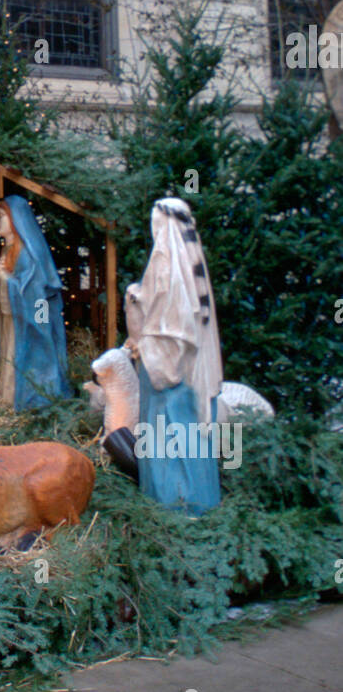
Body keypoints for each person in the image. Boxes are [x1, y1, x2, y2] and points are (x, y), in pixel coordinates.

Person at [132, 197, 222, 514]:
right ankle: (198, 499)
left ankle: (174, 506)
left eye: (156, 221)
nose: (154, 227)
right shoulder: (186, 266)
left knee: (169, 439)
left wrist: (135, 296)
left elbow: (169, 320)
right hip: (183, 371)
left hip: (167, 372)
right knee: (187, 434)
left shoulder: (165, 260)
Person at [0, 196, 72, 411]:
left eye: (1, 218)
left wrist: (6, 279)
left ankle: (36, 396)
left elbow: (36, 295)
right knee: (11, 350)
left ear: (16, 220)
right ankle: (8, 396)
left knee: (36, 347)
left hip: (35, 314)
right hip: (15, 316)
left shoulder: (27, 254)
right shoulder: (8, 250)